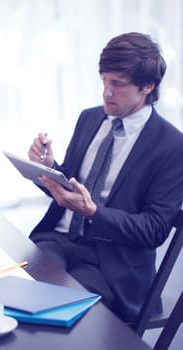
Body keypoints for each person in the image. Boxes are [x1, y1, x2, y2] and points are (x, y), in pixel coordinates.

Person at [28, 32, 183, 322]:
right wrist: (48, 168)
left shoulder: (172, 146)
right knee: (16, 285)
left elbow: (154, 230)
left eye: (117, 84)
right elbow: (69, 189)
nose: (106, 92)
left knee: (52, 308)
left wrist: (94, 212)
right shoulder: (90, 118)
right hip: (59, 239)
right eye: (104, 80)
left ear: (148, 86)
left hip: (111, 263)